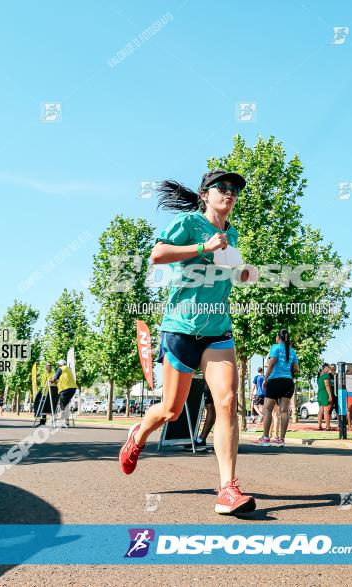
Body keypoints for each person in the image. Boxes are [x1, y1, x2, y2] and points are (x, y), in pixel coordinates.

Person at [118, 169, 256, 515]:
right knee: (170, 410)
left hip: (218, 330)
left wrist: (240, 272)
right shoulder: (189, 223)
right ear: (205, 194)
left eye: (233, 190)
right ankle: (138, 434)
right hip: (180, 327)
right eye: (221, 188)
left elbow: (223, 272)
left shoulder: (233, 233)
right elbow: (157, 255)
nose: (228, 193)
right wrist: (202, 247)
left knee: (226, 402)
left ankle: (227, 488)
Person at [253, 329, 299, 447]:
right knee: (284, 411)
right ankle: (281, 439)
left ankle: (266, 438)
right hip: (288, 382)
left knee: (268, 409)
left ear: (279, 337)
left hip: (275, 381)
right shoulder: (292, 351)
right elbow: (296, 368)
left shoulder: (275, 347)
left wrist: (265, 378)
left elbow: (272, 362)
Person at [51, 360, 77, 425]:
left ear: (61, 364)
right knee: (66, 406)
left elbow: (55, 378)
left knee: (62, 406)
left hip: (65, 389)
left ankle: (63, 422)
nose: (58, 366)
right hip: (73, 389)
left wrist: (51, 380)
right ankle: (66, 422)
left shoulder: (60, 369)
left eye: (59, 364)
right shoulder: (68, 369)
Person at [317, 364, 334, 431]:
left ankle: (319, 426)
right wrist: (330, 395)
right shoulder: (326, 375)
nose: (330, 368)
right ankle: (327, 426)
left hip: (320, 394)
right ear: (325, 368)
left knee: (320, 411)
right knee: (326, 411)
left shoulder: (319, 377)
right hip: (325, 393)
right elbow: (327, 385)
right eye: (328, 367)